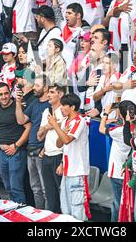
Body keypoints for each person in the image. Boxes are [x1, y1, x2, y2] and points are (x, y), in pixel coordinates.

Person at [47, 93, 91, 221]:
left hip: (77, 171)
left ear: (72, 107)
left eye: (64, 105)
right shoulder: (66, 121)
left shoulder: (79, 121)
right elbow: (59, 143)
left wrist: (55, 125)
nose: (61, 108)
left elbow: (66, 140)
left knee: (77, 210)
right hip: (67, 170)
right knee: (65, 209)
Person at [0, 82, 32, 204]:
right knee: (7, 187)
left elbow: (29, 127)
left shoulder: (18, 107)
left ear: (10, 93)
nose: (4, 97)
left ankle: (22, 214)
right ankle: (14, 213)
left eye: (6, 93)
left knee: (16, 187)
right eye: (0, 94)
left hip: (16, 152)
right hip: (3, 154)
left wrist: (16, 145)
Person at [15, 75, 50, 209]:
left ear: (46, 88)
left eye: (37, 85)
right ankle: (39, 215)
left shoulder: (50, 105)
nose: (34, 88)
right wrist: (18, 103)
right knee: (36, 188)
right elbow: (21, 120)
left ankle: (48, 217)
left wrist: (45, 149)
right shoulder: (34, 103)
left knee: (46, 189)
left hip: (43, 150)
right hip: (31, 149)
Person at [99, 101, 135, 222]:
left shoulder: (118, 131)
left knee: (117, 203)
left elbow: (101, 129)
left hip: (118, 172)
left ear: (120, 114)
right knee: (130, 204)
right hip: (133, 172)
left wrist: (106, 114)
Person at [37, 84, 66, 213]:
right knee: (49, 192)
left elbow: (67, 136)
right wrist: (48, 126)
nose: (48, 95)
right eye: (48, 92)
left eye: (52, 92)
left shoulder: (65, 111)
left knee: (61, 192)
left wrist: (62, 162)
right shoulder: (46, 111)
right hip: (47, 155)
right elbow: (39, 136)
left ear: (60, 95)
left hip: (59, 155)